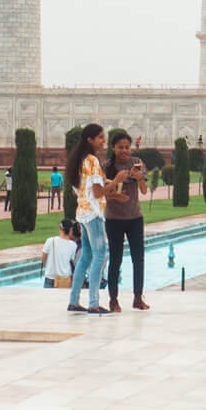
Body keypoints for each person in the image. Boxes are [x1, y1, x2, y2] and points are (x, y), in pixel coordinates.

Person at [101, 129, 148, 313]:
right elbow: (104, 193)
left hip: (135, 217)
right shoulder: (106, 166)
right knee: (116, 259)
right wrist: (116, 185)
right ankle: (113, 299)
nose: (124, 151)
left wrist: (139, 179)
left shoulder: (136, 163)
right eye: (120, 147)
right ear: (113, 147)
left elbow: (143, 190)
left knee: (139, 259)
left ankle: (138, 297)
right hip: (114, 219)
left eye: (127, 147)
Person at [65, 125, 110, 314]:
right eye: (100, 137)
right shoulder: (92, 160)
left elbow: (78, 189)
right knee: (99, 255)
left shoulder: (79, 160)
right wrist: (116, 182)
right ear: (90, 140)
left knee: (86, 256)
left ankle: (74, 301)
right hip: (93, 214)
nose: (104, 141)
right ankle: (93, 302)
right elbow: (98, 192)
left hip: (82, 213)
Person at [42, 221, 79, 288]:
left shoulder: (50, 241)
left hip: (50, 277)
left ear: (60, 228)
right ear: (71, 231)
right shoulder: (73, 245)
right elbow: (72, 260)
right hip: (65, 278)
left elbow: (43, 259)